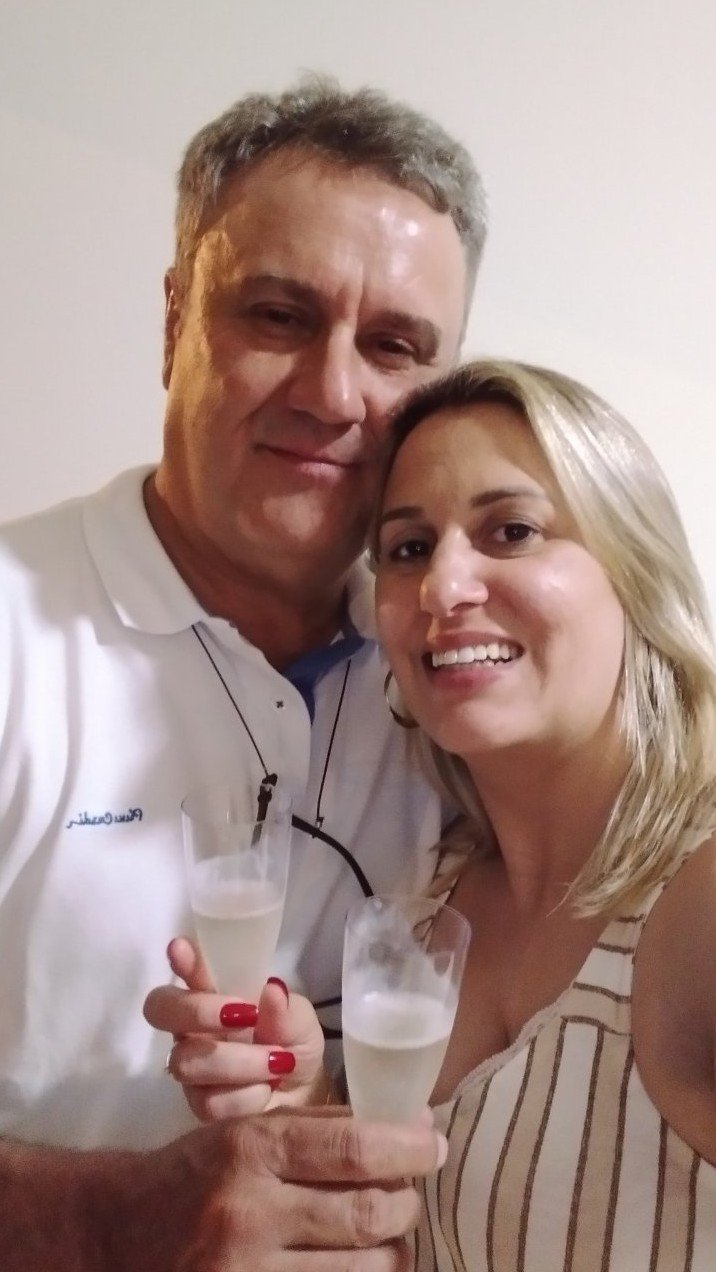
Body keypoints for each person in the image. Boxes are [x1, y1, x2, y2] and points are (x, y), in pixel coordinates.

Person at [0, 78, 487, 1269]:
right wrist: (104, 1220)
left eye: (393, 347)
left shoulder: (460, 684)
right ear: (174, 318)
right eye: (277, 315)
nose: (333, 394)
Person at [164, 360, 716, 1268]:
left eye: (512, 531)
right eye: (409, 548)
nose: (443, 586)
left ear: (636, 569)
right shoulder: (428, 898)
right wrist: (306, 1108)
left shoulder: (697, 901)